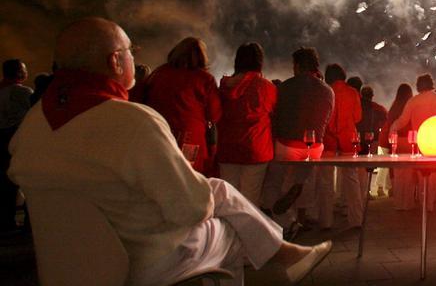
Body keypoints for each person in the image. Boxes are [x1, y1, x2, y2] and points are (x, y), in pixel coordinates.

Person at [8, 18, 330, 285]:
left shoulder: (31, 126)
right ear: (114, 61)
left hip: (65, 266)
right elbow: (190, 209)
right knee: (230, 230)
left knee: (218, 189)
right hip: (141, 261)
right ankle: (283, 254)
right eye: (131, 50)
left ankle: (285, 252)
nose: (135, 57)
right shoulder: (132, 122)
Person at [260, 47, 334, 238]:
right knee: (302, 181)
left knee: (273, 183)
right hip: (315, 146)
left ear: (298, 65)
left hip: (287, 144)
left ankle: (284, 221)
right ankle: (299, 197)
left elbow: (276, 116)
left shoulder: (285, 87)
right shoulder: (328, 91)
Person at [140, 37, 222, 176]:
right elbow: (214, 114)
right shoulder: (204, 79)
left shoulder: (159, 73)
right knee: (189, 177)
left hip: (159, 133)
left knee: (160, 175)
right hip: (190, 138)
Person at [216, 42, 276, 205]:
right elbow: (272, 112)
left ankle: (228, 230)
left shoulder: (224, 87)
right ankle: (248, 230)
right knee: (250, 200)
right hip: (255, 148)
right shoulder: (266, 87)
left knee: (228, 199)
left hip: (228, 148)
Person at [389, 74, 436, 210]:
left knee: (425, 175)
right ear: (432, 84)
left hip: (422, 142)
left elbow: (403, 120)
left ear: (418, 86)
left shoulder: (414, 101)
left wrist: (393, 127)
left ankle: (426, 205)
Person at [318, 63, 363, 229]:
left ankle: (325, 221)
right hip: (348, 139)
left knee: (326, 181)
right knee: (352, 180)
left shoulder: (325, 91)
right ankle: (356, 219)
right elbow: (358, 117)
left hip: (328, 140)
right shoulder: (352, 92)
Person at [0, 59, 32, 232]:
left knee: (4, 182)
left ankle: (5, 220)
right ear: (20, 72)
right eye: (23, 69)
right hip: (17, 140)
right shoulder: (24, 93)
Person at [382, 83, 414, 209]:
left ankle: (399, 202)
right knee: (409, 174)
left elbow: (389, 125)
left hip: (396, 141)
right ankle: (408, 203)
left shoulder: (394, 107)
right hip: (409, 140)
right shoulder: (411, 105)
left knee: (398, 173)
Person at [358, 85, 388, 196]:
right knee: (369, 167)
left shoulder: (358, 106)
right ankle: (367, 192)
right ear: (372, 95)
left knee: (358, 167)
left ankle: (361, 191)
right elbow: (386, 118)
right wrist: (377, 128)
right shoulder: (377, 107)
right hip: (373, 139)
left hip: (359, 139)